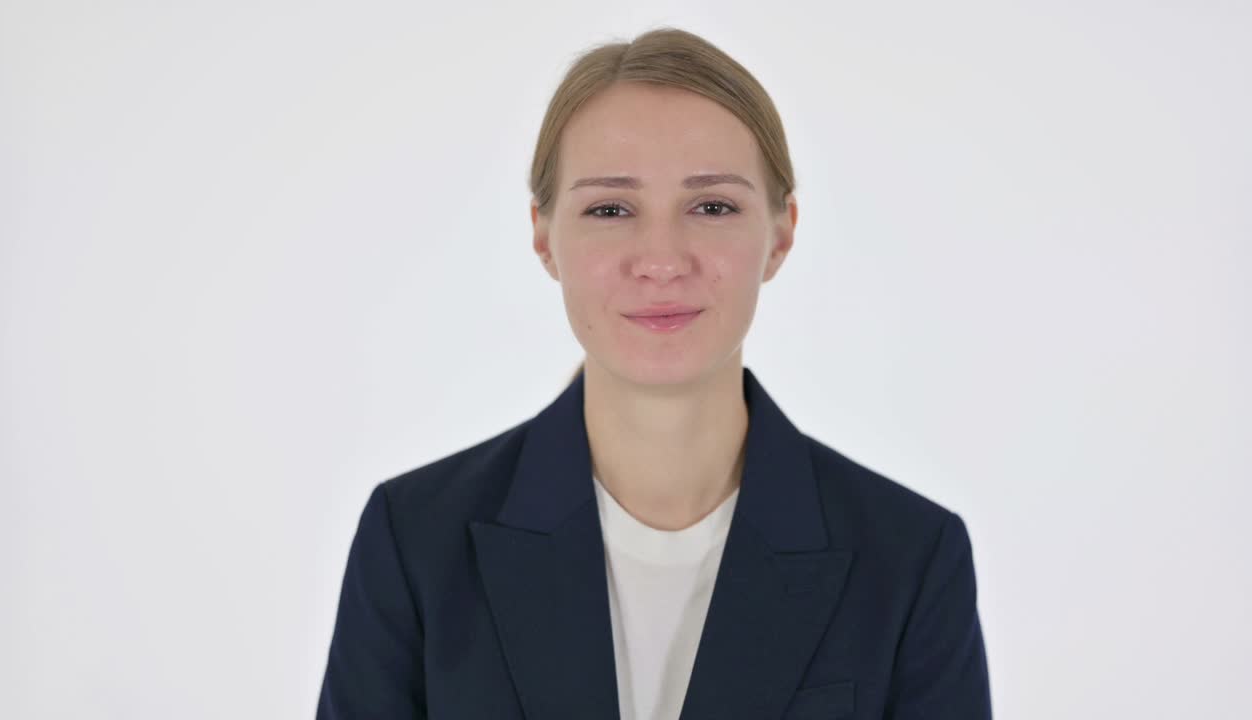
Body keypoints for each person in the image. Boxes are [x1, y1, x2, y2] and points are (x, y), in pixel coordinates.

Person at [317, 26, 992, 720]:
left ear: (781, 232)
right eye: (610, 209)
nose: (662, 259)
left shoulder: (910, 559)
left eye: (712, 207)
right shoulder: (416, 542)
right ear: (544, 235)